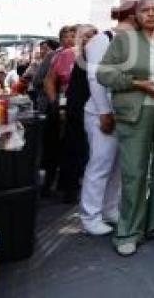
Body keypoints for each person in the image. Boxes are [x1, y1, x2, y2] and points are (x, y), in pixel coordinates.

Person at [97, 0, 154, 257]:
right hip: (136, 111)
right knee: (134, 172)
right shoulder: (125, 40)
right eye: (146, 10)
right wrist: (137, 83)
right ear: (137, 14)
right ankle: (128, 231)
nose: (152, 14)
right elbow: (103, 73)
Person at [80, 2, 137, 236]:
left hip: (122, 113)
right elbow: (95, 79)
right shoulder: (101, 40)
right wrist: (104, 112)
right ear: (133, 17)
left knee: (115, 167)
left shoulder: (130, 41)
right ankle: (89, 215)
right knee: (100, 164)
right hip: (100, 113)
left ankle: (109, 208)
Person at [58, 24, 98, 203]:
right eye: (85, 36)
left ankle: (76, 187)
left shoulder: (97, 56)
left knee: (86, 150)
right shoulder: (71, 55)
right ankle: (69, 189)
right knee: (73, 148)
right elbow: (54, 79)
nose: (88, 39)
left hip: (91, 108)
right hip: (75, 107)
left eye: (92, 36)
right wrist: (59, 106)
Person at [40, 26, 77, 197]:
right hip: (60, 105)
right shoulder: (57, 56)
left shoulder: (86, 55)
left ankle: (68, 186)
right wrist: (55, 102)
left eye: (73, 36)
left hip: (79, 106)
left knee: (72, 147)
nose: (69, 39)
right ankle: (49, 183)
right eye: (66, 36)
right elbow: (47, 79)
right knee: (54, 144)